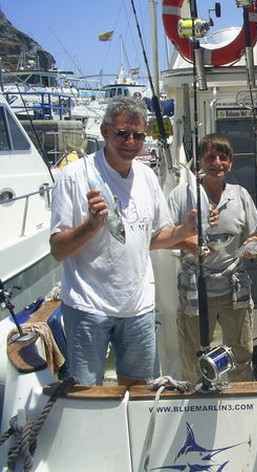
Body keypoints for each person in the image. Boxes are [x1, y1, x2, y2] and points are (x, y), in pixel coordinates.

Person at [50, 96, 196, 387]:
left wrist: (184, 230)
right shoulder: (73, 177)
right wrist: (92, 225)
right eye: (122, 133)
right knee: (87, 394)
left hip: (138, 308)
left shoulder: (147, 177)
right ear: (105, 131)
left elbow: (149, 239)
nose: (130, 141)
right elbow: (58, 250)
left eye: (138, 135)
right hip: (87, 306)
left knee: (139, 393)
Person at [168, 133, 257, 383]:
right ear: (200, 161)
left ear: (231, 163)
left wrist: (252, 247)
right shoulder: (181, 195)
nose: (217, 163)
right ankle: (196, 399)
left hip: (234, 288)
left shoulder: (240, 195)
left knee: (241, 356)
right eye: (210, 157)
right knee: (194, 360)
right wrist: (188, 242)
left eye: (224, 157)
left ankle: (242, 400)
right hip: (195, 289)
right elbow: (163, 237)